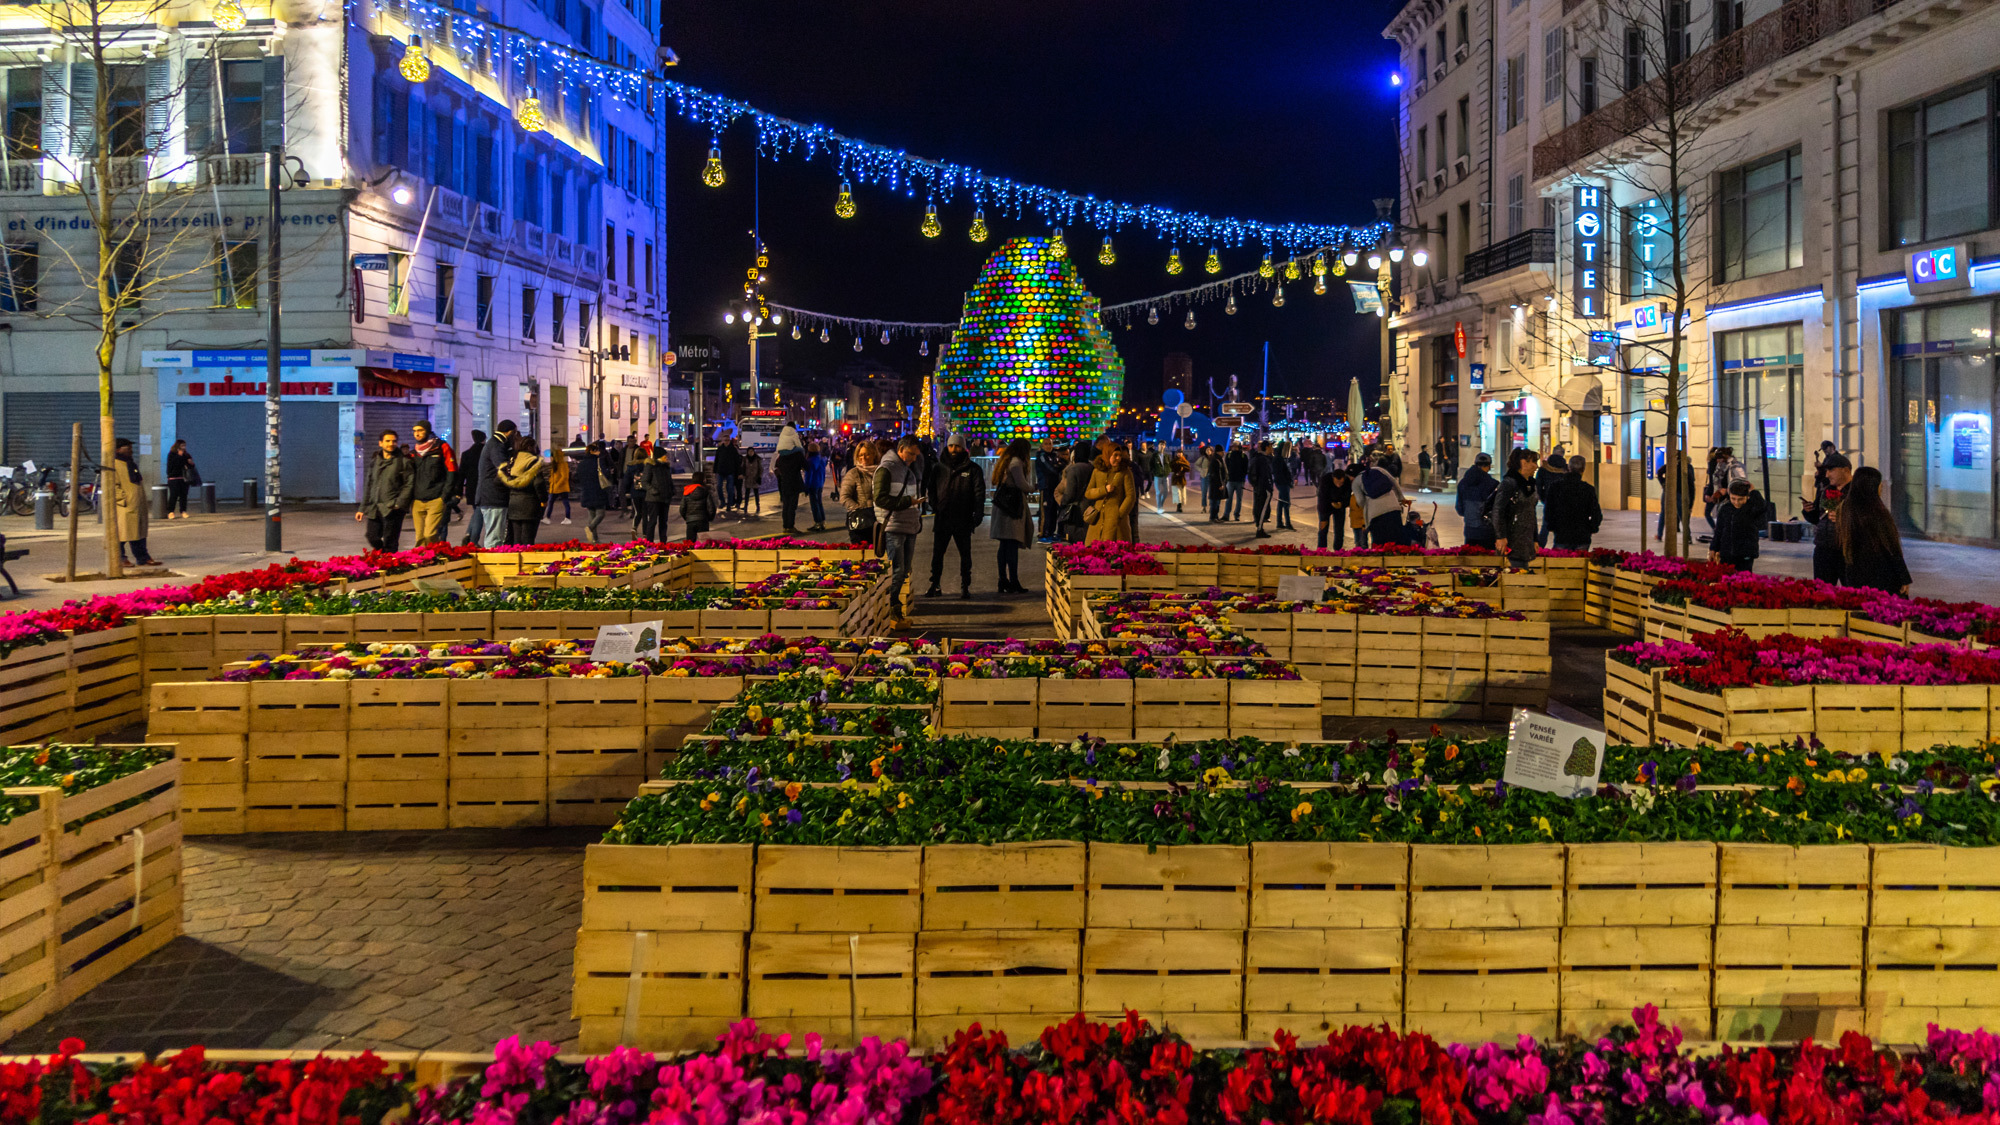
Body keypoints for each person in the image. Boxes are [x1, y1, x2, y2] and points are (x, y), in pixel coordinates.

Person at [873, 437, 927, 629]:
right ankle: (892, 611)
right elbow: (880, 499)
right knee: (897, 571)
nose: (913, 458)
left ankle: (896, 612)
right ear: (901, 449)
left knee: (904, 570)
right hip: (894, 526)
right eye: (911, 454)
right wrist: (908, 503)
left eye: (916, 455)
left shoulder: (907, 469)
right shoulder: (886, 469)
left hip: (909, 525)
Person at [1830, 466, 1910, 594]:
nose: (1882, 487)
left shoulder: (1845, 509)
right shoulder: (1877, 511)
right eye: (1879, 484)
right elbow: (1891, 547)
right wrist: (1904, 577)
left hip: (1855, 574)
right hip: (1882, 574)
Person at [925, 434, 986, 599]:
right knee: (937, 554)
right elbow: (931, 488)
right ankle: (934, 584)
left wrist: (977, 515)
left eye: (957, 446)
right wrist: (936, 505)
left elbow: (979, 493)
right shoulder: (939, 468)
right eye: (951, 446)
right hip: (943, 517)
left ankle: (965, 585)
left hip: (963, 518)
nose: (953, 449)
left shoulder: (973, 469)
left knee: (965, 555)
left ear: (963, 448)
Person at [356, 428, 414, 551]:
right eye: (387, 441)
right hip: (375, 507)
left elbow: (409, 484)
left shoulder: (404, 462)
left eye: (394, 441)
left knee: (390, 540)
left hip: (392, 508)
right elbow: (369, 484)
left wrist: (399, 503)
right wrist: (362, 508)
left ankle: (390, 564)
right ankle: (384, 555)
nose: (391, 444)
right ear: (380, 443)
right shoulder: (375, 462)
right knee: (372, 536)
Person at [990, 437, 1033, 596]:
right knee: (1012, 545)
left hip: (1003, 506)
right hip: (1011, 508)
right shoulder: (1016, 462)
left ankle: (1003, 580)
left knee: (1004, 546)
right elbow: (1021, 484)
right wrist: (1032, 487)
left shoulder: (1006, 460)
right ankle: (1013, 581)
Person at [1806, 447, 1852, 582]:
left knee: (1851, 594)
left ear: (1846, 470)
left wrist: (1843, 518)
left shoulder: (1855, 492)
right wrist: (1808, 511)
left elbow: (1865, 522)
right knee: (1822, 593)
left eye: (1831, 470)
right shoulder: (1826, 491)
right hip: (1823, 549)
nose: (1827, 475)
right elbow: (1817, 518)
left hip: (1845, 551)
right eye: (1826, 471)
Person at [109, 437, 157, 567]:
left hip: (137, 504)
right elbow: (113, 485)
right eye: (127, 447)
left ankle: (143, 557)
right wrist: (123, 499)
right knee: (122, 535)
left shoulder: (129, 462)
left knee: (139, 533)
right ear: (118, 449)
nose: (131, 450)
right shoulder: (113, 464)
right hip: (125, 506)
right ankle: (120, 558)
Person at [407, 422, 456, 546]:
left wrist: (444, 496)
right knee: (420, 538)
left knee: (430, 534)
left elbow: (452, 471)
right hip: (417, 500)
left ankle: (435, 555)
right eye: (414, 431)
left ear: (428, 431)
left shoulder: (441, 447)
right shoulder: (413, 454)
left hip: (436, 498)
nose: (417, 433)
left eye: (420, 430)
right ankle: (423, 561)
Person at [472, 420, 519, 548]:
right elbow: (503, 468)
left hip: (490, 495)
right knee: (495, 537)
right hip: (493, 496)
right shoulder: (496, 445)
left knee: (495, 534)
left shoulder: (494, 444)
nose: (515, 436)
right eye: (514, 433)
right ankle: (492, 564)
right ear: (509, 432)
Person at [1492, 448, 1541, 567]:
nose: (1536, 466)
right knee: (1513, 574)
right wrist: (1501, 536)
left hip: (1526, 539)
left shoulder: (1531, 485)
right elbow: (1498, 510)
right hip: (1511, 539)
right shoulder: (1509, 483)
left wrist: (1535, 538)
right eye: (1533, 462)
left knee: (1522, 573)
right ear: (1523, 463)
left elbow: (1531, 512)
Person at [1707, 479, 1769, 572]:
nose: (1736, 502)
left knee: (1743, 580)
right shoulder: (1725, 509)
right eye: (1733, 498)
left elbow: (1762, 506)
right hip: (1726, 553)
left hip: (1745, 553)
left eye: (1740, 499)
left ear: (1747, 497)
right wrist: (1713, 548)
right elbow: (1719, 530)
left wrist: (1753, 491)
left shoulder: (1751, 508)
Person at [1543, 455, 1603, 551]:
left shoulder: (1555, 487)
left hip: (1561, 534)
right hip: (1582, 535)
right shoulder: (1588, 489)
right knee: (1580, 564)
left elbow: (1548, 510)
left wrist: (1552, 526)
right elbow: (1596, 513)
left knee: (1561, 564)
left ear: (1568, 468)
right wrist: (1591, 528)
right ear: (1583, 469)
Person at [1084, 441, 1138, 542]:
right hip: (1098, 519)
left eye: (1120, 455)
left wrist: (1119, 514)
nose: (1118, 458)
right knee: (1095, 551)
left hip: (1117, 521)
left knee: (1115, 552)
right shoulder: (1097, 471)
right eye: (1115, 455)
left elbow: (1131, 496)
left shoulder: (1125, 472)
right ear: (1107, 454)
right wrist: (1104, 490)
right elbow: (1088, 492)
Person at [498, 434, 547, 545]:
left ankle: (517, 561)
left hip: (514, 504)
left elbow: (499, 480)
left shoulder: (512, 460)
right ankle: (526, 562)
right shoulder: (533, 461)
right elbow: (539, 482)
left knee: (516, 540)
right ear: (530, 447)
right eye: (534, 447)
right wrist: (544, 500)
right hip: (530, 505)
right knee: (527, 540)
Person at [1355, 455, 1412, 547]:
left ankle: (1382, 559)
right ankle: (1398, 558)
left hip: (1375, 514)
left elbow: (1361, 501)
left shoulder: (1356, 480)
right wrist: (1401, 498)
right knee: (1396, 540)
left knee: (1379, 543)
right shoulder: (1380, 470)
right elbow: (1394, 481)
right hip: (1393, 508)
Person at [840, 440, 882, 547]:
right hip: (860, 523)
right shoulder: (853, 474)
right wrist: (860, 508)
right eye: (860, 455)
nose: (864, 458)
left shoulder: (881, 472)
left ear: (874, 454)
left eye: (867, 454)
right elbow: (844, 497)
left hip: (879, 521)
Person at [1054, 441, 1096, 543]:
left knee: (1076, 540)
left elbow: (1070, 493)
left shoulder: (1073, 469)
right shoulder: (1093, 468)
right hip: (1091, 508)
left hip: (1076, 510)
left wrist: (1063, 502)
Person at [1456, 452, 1499, 550]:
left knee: (1471, 558)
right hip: (1487, 530)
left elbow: (1459, 509)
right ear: (1489, 466)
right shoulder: (1493, 485)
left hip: (1470, 530)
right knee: (1488, 561)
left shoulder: (1463, 483)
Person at [1654, 449, 1697, 547]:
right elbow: (1691, 485)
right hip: (1679, 493)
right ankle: (1688, 538)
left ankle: (1659, 535)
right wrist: (1690, 503)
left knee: (1663, 513)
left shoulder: (1671, 465)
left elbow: (1659, 472)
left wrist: (1664, 483)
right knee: (1683, 515)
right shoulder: (1687, 467)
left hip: (1668, 491)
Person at [774, 426, 808, 534]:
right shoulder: (797, 454)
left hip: (784, 482)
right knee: (792, 506)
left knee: (786, 505)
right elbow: (806, 466)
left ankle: (785, 526)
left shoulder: (781, 455)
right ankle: (790, 526)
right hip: (794, 481)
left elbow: (777, 466)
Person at [578, 441, 613, 543]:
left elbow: (578, 476)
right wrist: (609, 473)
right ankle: (590, 527)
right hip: (597, 490)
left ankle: (594, 539)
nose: (599, 451)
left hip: (586, 491)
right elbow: (604, 474)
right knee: (600, 513)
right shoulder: (598, 462)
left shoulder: (582, 464)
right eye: (597, 450)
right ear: (592, 451)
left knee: (591, 514)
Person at [1316, 464, 1356, 550]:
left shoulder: (1347, 482)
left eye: (1341, 483)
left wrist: (1342, 504)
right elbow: (1322, 497)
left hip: (1339, 507)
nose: (1339, 485)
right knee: (1323, 529)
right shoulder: (1325, 480)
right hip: (1325, 506)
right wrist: (1323, 518)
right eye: (1337, 482)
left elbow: (1348, 496)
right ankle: (1321, 550)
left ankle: (1338, 550)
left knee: (1339, 529)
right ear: (1333, 478)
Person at [458, 429, 487, 546]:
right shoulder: (485, 452)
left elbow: (461, 474)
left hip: (471, 488)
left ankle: (468, 535)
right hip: (483, 487)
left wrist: (459, 491)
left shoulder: (466, 454)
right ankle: (473, 540)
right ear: (484, 439)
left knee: (477, 511)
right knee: (479, 513)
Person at [1533, 453, 1566, 548]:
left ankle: (1540, 545)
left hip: (1548, 500)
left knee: (1546, 524)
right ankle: (1558, 545)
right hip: (1561, 500)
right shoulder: (1564, 471)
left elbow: (1538, 486)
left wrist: (1543, 498)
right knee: (1559, 523)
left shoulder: (1543, 470)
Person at [1035, 441, 1064, 541]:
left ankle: (1051, 532)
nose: (1048, 446)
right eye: (1046, 444)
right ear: (1042, 445)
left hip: (1054, 486)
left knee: (1053, 511)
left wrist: (1057, 467)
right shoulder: (1041, 456)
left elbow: (1060, 465)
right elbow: (1050, 468)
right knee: (1045, 511)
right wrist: (1057, 467)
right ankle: (1043, 534)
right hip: (1046, 486)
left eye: (1050, 444)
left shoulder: (1054, 455)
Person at [1248, 440, 1276, 538]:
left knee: (1259, 507)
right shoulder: (1263, 460)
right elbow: (1265, 475)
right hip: (1264, 488)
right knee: (1262, 509)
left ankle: (1260, 527)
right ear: (1267, 447)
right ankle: (1259, 529)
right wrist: (1269, 487)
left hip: (1258, 487)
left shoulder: (1257, 458)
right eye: (1271, 446)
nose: (1272, 448)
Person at [542, 442, 572, 527]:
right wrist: (551, 481)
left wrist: (556, 484)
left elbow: (564, 477)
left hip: (560, 488)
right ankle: (548, 517)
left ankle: (567, 518)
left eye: (551, 457)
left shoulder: (562, 464)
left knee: (564, 502)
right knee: (552, 502)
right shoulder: (556, 465)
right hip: (555, 487)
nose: (550, 458)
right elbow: (554, 476)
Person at [680, 470, 717, 538]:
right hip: (703, 521)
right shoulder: (706, 492)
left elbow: (682, 508)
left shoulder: (687, 492)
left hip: (690, 521)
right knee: (703, 544)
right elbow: (711, 508)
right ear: (703, 480)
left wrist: (687, 518)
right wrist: (709, 518)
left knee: (690, 545)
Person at [164, 438, 194, 519]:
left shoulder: (186, 455)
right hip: (173, 478)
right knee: (173, 495)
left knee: (183, 495)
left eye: (184, 446)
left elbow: (190, 466)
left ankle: (183, 511)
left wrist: (191, 463)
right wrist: (179, 456)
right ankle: (171, 511)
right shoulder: (172, 454)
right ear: (177, 446)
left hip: (183, 478)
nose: (184, 447)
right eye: (182, 446)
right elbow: (173, 465)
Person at [804, 440, 829, 532]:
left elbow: (808, 475)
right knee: (819, 503)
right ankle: (822, 521)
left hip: (813, 484)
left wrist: (806, 487)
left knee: (814, 504)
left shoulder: (810, 461)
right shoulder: (822, 459)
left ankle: (817, 523)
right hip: (820, 483)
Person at [1273, 441, 1295, 531]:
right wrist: (1289, 482)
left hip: (1282, 483)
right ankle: (1287, 523)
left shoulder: (1281, 458)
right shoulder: (1280, 459)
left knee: (1282, 502)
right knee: (1286, 503)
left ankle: (1280, 522)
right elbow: (1281, 473)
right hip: (1283, 483)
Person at [1225, 442, 1249, 520]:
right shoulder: (1229, 455)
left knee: (1239, 499)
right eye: (1233, 446)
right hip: (1231, 480)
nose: (1234, 448)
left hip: (1240, 481)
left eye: (1236, 446)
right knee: (1229, 499)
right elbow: (1226, 466)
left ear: (1239, 447)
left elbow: (1246, 468)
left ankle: (1236, 515)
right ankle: (1226, 515)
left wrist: (1243, 476)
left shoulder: (1243, 456)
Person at [1205, 444, 1229, 523]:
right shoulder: (1216, 460)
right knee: (1215, 502)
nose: (1224, 453)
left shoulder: (1219, 459)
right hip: (1216, 485)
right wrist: (1220, 484)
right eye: (1222, 452)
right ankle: (1213, 517)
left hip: (1218, 484)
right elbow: (1216, 474)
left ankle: (1216, 517)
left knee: (1217, 501)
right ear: (1219, 452)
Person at [1168, 447, 1191, 512]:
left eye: (1180, 453)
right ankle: (1179, 506)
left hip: (1182, 479)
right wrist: (1178, 464)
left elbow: (1188, 468)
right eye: (1178, 453)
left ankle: (1180, 506)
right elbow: (1171, 467)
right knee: (1177, 493)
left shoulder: (1184, 460)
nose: (1179, 454)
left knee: (1182, 493)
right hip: (1175, 478)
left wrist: (1181, 465)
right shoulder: (1174, 460)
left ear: (1182, 454)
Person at [744, 448, 765, 516]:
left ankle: (757, 505)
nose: (751, 452)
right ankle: (745, 506)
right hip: (748, 478)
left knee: (756, 493)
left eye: (752, 451)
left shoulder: (757, 459)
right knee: (747, 493)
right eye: (749, 451)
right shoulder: (745, 459)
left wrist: (759, 476)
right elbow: (743, 467)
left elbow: (760, 469)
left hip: (755, 478)